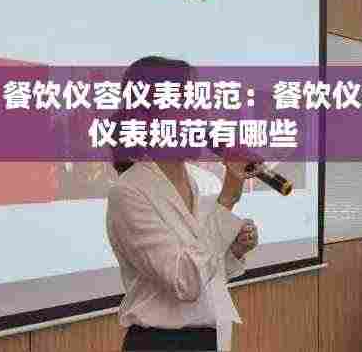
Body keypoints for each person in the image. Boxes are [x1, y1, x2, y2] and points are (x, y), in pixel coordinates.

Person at [105, 56, 259, 352]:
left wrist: (234, 250)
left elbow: (205, 272)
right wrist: (227, 200)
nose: (201, 114)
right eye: (188, 103)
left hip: (209, 340)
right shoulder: (129, 192)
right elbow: (185, 281)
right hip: (160, 344)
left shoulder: (198, 181)